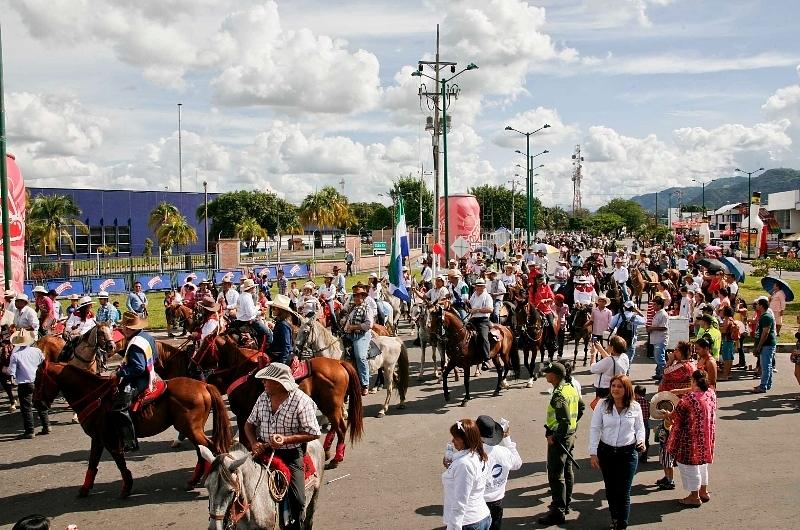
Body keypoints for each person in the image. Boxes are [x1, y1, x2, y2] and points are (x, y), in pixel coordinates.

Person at [245, 363, 322, 530]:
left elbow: (315, 433)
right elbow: (249, 424)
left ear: (279, 383)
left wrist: (286, 440)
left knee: (298, 499)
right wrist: (253, 443)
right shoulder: (263, 397)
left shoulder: (301, 401)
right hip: (263, 452)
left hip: (291, 454)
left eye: (267, 380)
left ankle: (297, 523)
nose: (263, 382)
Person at [589, 375, 645, 530]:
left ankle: (622, 524)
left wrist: (641, 441)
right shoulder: (602, 405)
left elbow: (640, 428)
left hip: (628, 453)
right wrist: (593, 453)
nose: (615, 389)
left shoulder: (635, 407)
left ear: (626, 389)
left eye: (619, 386)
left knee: (623, 491)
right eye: (613, 385)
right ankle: (615, 518)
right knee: (611, 489)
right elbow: (595, 429)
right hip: (606, 452)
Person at [538, 362, 585, 525]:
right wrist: (574, 424)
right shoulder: (571, 387)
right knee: (567, 470)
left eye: (548, 372)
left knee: (555, 474)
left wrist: (555, 436)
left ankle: (558, 511)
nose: (545, 375)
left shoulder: (559, 393)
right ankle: (566, 504)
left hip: (560, 438)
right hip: (570, 435)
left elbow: (563, 420)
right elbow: (582, 407)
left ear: (555, 376)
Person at [665, 370, 717, 507]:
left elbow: (675, 417)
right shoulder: (711, 393)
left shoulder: (689, 399)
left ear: (693, 381)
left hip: (690, 438)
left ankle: (694, 497)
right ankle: (703, 491)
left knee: (689, 467)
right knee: (702, 465)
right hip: (706, 436)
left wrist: (667, 415)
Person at [112, 311, 158, 452]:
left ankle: (129, 442)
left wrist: (120, 372)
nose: (122, 329)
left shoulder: (135, 343)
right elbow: (155, 355)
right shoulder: (146, 336)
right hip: (152, 372)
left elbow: (138, 368)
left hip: (141, 379)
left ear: (129, 328)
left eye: (124, 327)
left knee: (119, 407)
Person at [442, 419, 491, 530]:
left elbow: (460, 501)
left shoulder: (463, 464)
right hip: (480, 517)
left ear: (465, 440)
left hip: (467, 522)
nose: (452, 441)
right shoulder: (478, 454)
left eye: (456, 438)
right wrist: (452, 466)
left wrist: (453, 528)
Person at [477, 415, 521, 530]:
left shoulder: (473, 456)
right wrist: (507, 440)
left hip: (479, 502)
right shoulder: (504, 452)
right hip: (497, 501)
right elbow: (517, 463)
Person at [4, 331, 49, 439]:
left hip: (25, 383)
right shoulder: (37, 351)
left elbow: (11, 372)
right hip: (37, 380)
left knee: (26, 407)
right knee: (40, 403)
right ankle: (46, 425)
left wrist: (5, 369)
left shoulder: (16, 355)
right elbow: (43, 363)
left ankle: (30, 430)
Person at [343, 284, 373, 395]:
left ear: (363, 297)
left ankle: (365, 384)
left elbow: (369, 324)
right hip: (350, 335)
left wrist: (354, 327)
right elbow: (348, 322)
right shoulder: (353, 308)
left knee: (360, 357)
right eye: (354, 296)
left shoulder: (367, 308)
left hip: (362, 335)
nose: (355, 298)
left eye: (358, 296)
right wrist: (345, 327)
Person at [232, 279, 272, 349]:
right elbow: (250, 314)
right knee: (268, 333)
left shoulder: (241, 296)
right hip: (249, 321)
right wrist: (258, 309)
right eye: (254, 287)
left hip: (240, 320)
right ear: (251, 288)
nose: (255, 288)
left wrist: (259, 312)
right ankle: (266, 351)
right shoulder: (247, 298)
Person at [609, 301, 645, 370]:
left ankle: (616, 371)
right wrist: (637, 311)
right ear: (633, 308)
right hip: (631, 340)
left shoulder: (618, 316)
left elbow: (611, 327)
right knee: (628, 359)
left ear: (624, 307)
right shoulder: (635, 317)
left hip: (619, 340)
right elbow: (645, 320)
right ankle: (626, 372)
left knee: (617, 357)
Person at [267, 294, 301, 365]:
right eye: (272, 308)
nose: (272, 310)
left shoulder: (283, 324)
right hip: (277, 353)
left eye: (274, 308)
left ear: (280, 310)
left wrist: (282, 362)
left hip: (281, 356)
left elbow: (286, 345)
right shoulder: (280, 322)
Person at [468, 279, 493, 362]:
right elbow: (470, 304)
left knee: (483, 337)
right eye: (477, 286)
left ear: (483, 287)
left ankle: (486, 358)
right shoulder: (474, 294)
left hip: (483, 320)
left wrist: (477, 310)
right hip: (473, 319)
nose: (478, 287)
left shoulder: (487, 296)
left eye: (480, 286)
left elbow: (490, 309)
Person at [647, 297, 669, 382]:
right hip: (656, 339)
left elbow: (664, 327)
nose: (653, 306)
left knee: (660, 359)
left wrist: (652, 328)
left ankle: (664, 377)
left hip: (660, 339)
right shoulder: (657, 313)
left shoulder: (663, 314)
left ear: (660, 305)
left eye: (655, 304)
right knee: (657, 358)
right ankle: (658, 374)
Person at [633, 385, 651, 464]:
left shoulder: (634, 402)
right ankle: (644, 456)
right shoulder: (647, 402)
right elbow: (649, 413)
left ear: (635, 393)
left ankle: (634, 456)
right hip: (646, 422)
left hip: (636, 422)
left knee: (634, 440)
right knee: (645, 440)